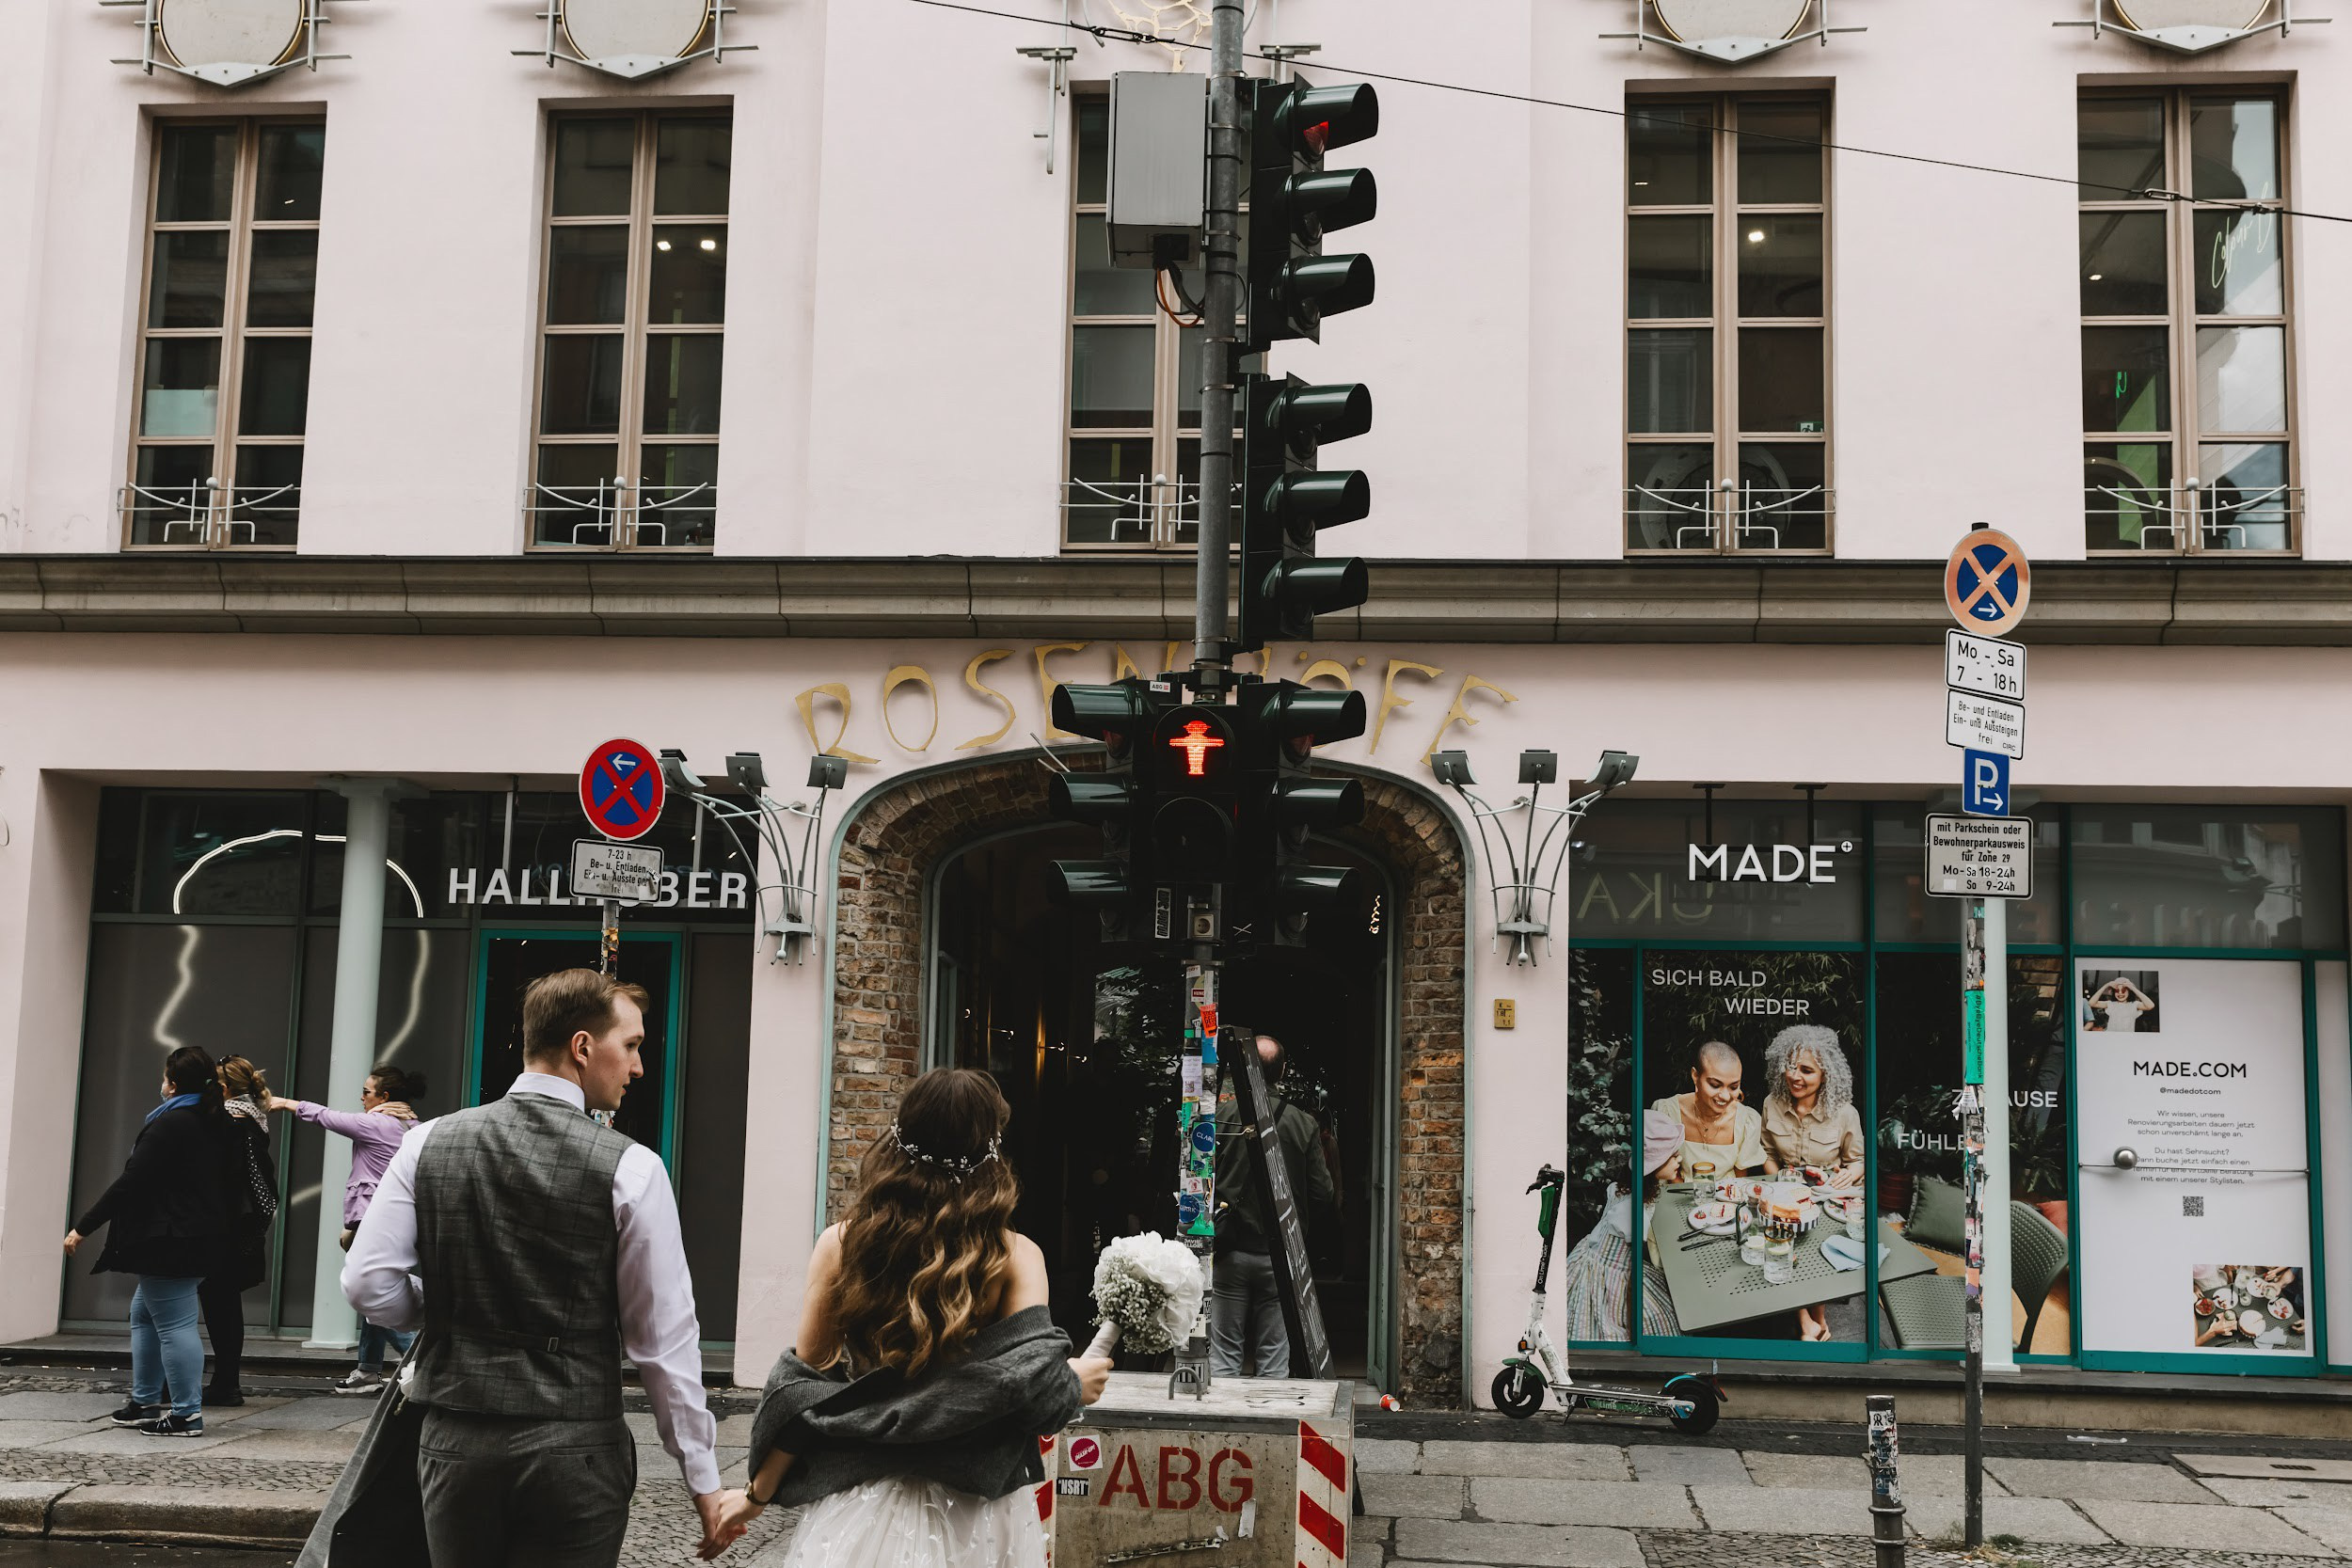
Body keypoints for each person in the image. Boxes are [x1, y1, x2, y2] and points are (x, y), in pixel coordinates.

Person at [342, 969, 727, 1567]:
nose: (638, 1068)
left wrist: (436, 1306)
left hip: (457, 1441)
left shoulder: (429, 1142)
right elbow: (663, 1341)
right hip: (574, 1447)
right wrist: (703, 1479)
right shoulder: (633, 1167)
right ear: (582, 1047)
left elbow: (366, 1282)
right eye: (630, 1046)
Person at [711, 1069, 1111, 1567]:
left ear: (898, 1137)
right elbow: (1039, 1400)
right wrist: (1072, 1382)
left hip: (864, 1507)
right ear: (992, 1151)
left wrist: (755, 1495)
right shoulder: (1016, 1257)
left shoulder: (841, 1245)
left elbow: (804, 1395)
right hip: (980, 1520)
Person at [63, 1045, 238, 1437]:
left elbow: (131, 1181)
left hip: (172, 1239)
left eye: (164, 1078)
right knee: (144, 1314)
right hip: (198, 1235)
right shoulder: (214, 1119)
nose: (161, 1085)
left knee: (175, 1324)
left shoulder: (173, 1123)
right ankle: (145, 1401)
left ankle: (186, 1415)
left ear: (173, 1084)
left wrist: (83, 1227)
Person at [264, 1061, 424, 1394]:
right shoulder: (412, 1126)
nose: (361, 1097)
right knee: (377, 1291)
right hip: (394, 1221)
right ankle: (367, 1370)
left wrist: (285, 1102)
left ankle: (422, 1360)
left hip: (375, 1222)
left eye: (366, 1092)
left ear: (383, 1096)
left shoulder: (378, 1123)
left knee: (371, 1295)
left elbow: (328, 1117)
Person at [1210, 1033, 1337, 1378]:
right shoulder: (1304, 1123)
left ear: (1241, 1072)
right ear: (1281, 1073)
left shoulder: (1221, 1117)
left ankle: (1224, 1426)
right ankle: (1270, 1426)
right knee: (1275, 1356)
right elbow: (1323, 1193)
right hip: (1281, 1252)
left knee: (1224, 1352)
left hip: (1230, 1249)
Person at [1756, 1024, 1865, 1341]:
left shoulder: (1844, 1113)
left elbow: (1859, 1159)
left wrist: (1852, 1172)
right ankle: (1810, 1319)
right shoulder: (1770, 1103)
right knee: (1781, 1239)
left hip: (1826, 1196)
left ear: (1825, 1075)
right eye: (1790, 1066)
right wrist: (1778, 1182)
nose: (1795, 1076)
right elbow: (1765, 1151)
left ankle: (1813, 1318)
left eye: (1806, 1070)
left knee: (1816, 1246)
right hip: (1782, 1190)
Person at [1559, 1108, 1684, 1340]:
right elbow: (1637, 1267)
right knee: (1650, 1315)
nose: (1680, 1160)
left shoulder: (1622, 1188)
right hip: (1613, 1274)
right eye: (1673, 1156)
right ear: (1654, 1165)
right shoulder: (1632, 1212)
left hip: (1593, 1255)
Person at [202, 1055, 280, 1407]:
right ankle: (225, 1382)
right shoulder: (253, 1119)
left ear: (222, 1088)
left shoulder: (230, 1121)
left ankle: (214, 1384)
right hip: (242, 1225)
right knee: (224, 1304)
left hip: (223, 1225)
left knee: (205, 1303)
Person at [1650, 1040, 1765, 1180]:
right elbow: (1665, 1172)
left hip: (1727, 1196)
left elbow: (1740, 1177)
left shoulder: (1748, 1121)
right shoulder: (1666, 1112)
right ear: (1695, 1076)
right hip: (1677, 1193)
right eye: (1715, 1085)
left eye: (1733, 1087)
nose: (1725, 1096)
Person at [2089, 977, 2154, 1033]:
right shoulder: (2110, 1004)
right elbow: (2091, 1003)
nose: (2120, 993)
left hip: (2127, 1040)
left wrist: (2133, 988)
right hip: (2111, 1038)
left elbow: (2150, 1006)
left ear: (2129, 992)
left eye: (2123, 990)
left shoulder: (2134, 1004)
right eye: (2117, 991)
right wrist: (2106, 985)